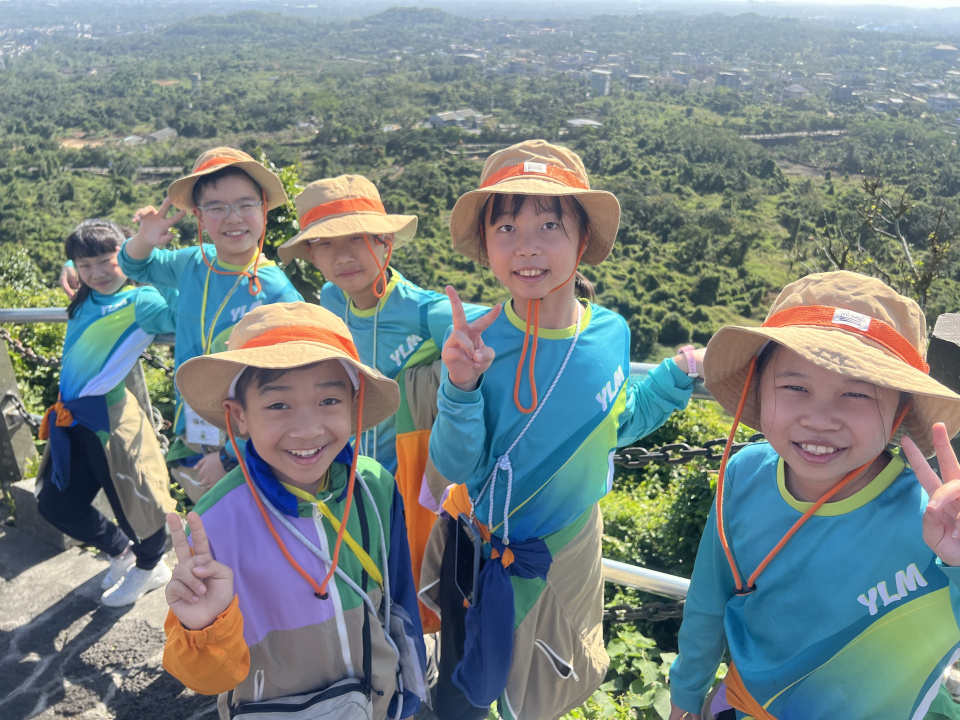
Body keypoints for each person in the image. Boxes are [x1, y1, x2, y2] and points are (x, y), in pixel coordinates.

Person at [424, 139, 705, 720]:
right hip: (483, 551)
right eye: (506, 228)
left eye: (550, 225)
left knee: (544, 691)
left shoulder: (610, 334)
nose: (526, 246)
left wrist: (676, 377)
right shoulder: (477, 344)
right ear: (486, 244)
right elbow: (455, 465)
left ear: (583, 240)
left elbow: (615, 420)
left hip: (569, 551)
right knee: (464, 692)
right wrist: (461, 386)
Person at [668, 270, 960, 720]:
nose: (820, 419)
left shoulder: (934, 523)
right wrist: (686, 698)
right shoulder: (744, 474)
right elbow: (709, 599)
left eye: (856, 393)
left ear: (901, 407)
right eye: (795, 387)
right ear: (757, 385)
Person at [162, 302, 427, 720]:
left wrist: (407, 696)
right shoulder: (215, 523)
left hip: (379, 705)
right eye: (278, 406)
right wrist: (203, 627)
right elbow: (207, 680)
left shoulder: (374, 486)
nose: (308, 429)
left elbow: (399, 603)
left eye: (329, 400)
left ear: (354, 405)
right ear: (239, 416)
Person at [277, 174, 485, 633]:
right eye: (325, 243)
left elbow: (493, 340)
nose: (343, 255)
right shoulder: (331, 299)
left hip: (403, 487)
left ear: (384, 242)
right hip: (341, 479)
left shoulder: (425, 312)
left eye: (357, 238)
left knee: (402, 601)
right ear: (311, 255)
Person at [118, 147, 303, 504]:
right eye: (217, 208)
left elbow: (290, 390)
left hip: (249, 449)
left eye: (245, 205)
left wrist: (230, 456)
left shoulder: (278, 293)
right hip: (195, 432)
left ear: (263, 210)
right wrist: (145, 238)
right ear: (199, 217)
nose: (233, 218)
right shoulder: (192, 263)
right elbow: (135, 265)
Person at [37, 219, 177, 607]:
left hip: (109, 420)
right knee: (55, 504)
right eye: (86, 265)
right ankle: (120, 550)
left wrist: (155, 261)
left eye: (105, 261)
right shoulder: (85, 295)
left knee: (134, 503)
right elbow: (81, 263)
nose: (96, 273)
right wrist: (70, 266)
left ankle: (151, 566)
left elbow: (182, 313)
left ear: (125, 255)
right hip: (72, 420)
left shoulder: (141, 301)